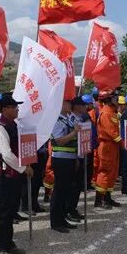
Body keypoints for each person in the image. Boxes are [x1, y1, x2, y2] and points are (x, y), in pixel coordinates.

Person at [0, 93, 32, 254]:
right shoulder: (0, 127)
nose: (17, 110)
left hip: (13, 173)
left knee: (11, 208)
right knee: (2, 210)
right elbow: (6, 154)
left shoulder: (13, 124)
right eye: (14, 107)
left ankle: (8, 242)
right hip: (4, 174)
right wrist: (23, 168)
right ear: (5, 109)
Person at [49, 97, 80, 233]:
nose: (70, 105)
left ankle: (62, 218)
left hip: (70, 158)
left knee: (66, 190)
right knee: (59, 191)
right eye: (67, 102)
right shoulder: (56, 120)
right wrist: (74, 132)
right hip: (61, 159)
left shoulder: (68, 119)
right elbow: (59, 141)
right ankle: (56, 222)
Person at [94, 90, 122, 208]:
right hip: (107, 146)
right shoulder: (106, 113)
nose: (118, 100)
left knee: (112, 172)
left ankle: (108, 197)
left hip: (113, 146)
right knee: (105, 172)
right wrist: (124, 143)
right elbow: (112, 133)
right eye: (115, 98)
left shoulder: (112, 112)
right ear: (109, 99)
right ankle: (99, 200)